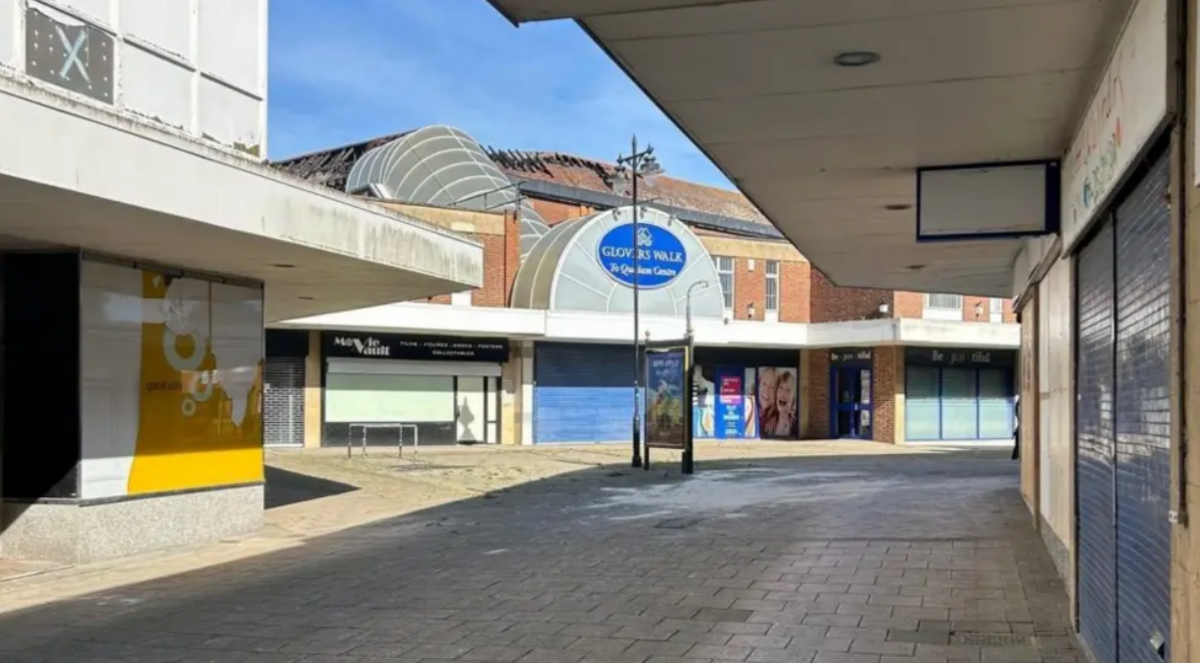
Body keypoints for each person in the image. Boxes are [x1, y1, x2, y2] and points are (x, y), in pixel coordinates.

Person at [773, 370, 798, 438]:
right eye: (781, 388)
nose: (783, 394)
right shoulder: (770, 421)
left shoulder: (796, 424)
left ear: (793, 398)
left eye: (788, 390)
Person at [758, 367, 779, 437]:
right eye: (764, 384)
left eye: (772, 387)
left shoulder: (777, 418)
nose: (767, 391)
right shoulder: (749, 406)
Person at [1012, 394, 1021, 460]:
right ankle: (1015, 456)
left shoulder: (1018, 403)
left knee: (1018, 443)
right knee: (1018, 443)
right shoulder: (1019, 403)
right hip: (1020, 426)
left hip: (1020, 425)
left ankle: (1015, 456)